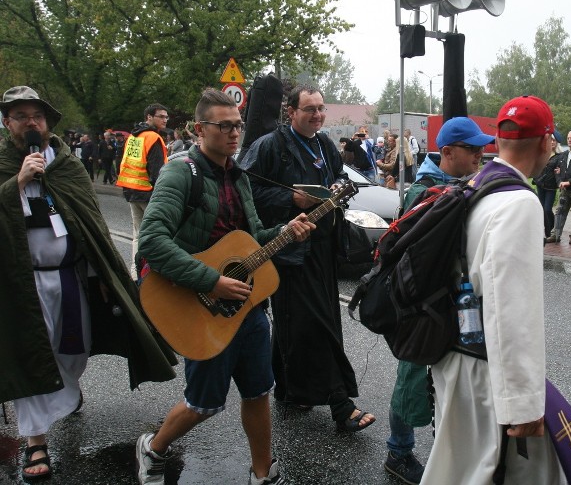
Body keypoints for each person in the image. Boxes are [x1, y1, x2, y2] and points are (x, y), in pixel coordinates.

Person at [134, 88, 314, 485]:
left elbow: (246, 242)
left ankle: (263, 472)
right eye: (225, 126)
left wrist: (284, 231)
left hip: (246, 306)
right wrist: (211, 280)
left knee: (258, 392)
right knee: (203, 404)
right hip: (201, 304)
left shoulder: (239, 176)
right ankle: (153, 449)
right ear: (200, 129)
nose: (234, 133)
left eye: (238, 125)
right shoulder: (180, 172)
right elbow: (152, 241)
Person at [0, 86, 176, 482]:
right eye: (21, 115)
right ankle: (35, 442)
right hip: (22, 284)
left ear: (46, 122)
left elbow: (90, 226)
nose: (31, 122)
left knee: (71, 353)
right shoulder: (3, 163)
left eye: (37, 116)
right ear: (8, 123)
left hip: (70, 275)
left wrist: (99, 277)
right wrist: (17, 182)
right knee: (33, 355)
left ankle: (66, 389)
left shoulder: (65, 165)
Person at [422, 96, 565, 484]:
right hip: (486, 374)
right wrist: (522, 404)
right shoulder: (520, 202)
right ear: (545, 142)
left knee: (455, 468)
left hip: (454, 357)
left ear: (498, 143)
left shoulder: (474, 187)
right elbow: (510, 310)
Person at [239, 85, 376, 433]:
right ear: (290, 111)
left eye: (321, 109)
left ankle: (289, 388)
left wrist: (340, 185)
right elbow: (245, 188)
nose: (317, 115)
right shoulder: (270, 145)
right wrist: (291, 200)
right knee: (315, 323)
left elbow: (339, 176)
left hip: (323, 246)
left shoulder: (323, 142)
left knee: (295, 320)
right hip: (287, 248)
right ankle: (340, 402)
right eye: (309, 109)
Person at [387, 117, 495, 484]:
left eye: (482, 147)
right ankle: (397, 452)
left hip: (447, 300)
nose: (481, 154)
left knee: (444, 378)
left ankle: (444, 454)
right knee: (413, 375)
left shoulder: (460, 184)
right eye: (472, 149)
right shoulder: (424, 191)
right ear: (448, 152)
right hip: (422, 303)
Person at [116, 103, 169, 278]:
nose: (165, 119)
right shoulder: (153, 138)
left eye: (166, 117)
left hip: (131, 192)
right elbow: (157, 172)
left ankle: (136, 274)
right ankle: (154, 277)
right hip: (148, 193)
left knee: (138, 236)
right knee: (158, 236)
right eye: (161, 116)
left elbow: (123, 162)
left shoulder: (133, 137)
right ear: (149, 117)